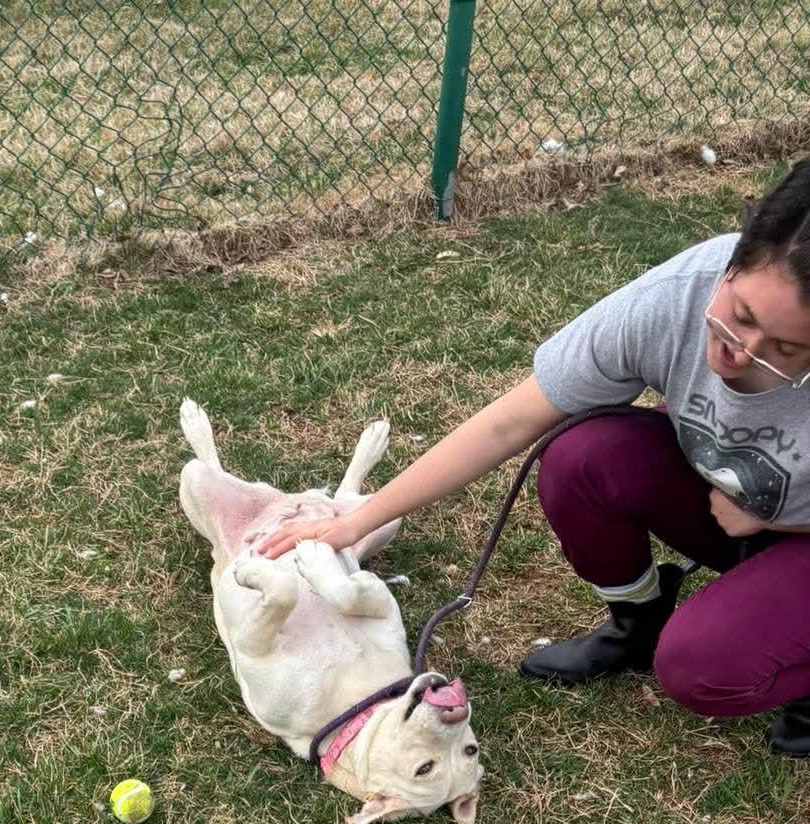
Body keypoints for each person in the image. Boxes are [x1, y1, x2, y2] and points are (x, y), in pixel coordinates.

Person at [257, 160, 810, 758]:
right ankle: (636, 625)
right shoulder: (678, 295)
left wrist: (774, 522)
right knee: (581, 456)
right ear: (733, 260)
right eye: (742, 315)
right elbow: (511, 420)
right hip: (727, 505)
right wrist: (353, 522)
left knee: (702, 668)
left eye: (786, 349)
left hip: (790, 532)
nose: (741, 351)